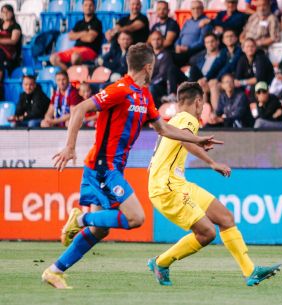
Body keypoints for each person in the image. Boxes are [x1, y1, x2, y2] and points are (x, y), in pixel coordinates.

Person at [41, 43, 222, 289]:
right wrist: (70, 146)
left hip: (114, 168)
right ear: (148, 67)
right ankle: (81, 218)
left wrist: (196, 138)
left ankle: (54, 271)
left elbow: (164, 128)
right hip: (103, 167)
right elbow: (79, 108)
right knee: (136, 217)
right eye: (154, 67)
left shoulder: (144, 96)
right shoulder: (120, 89)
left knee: (100, 230)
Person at [146, 81, 281, 286]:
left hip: (176, 183)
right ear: (199, 101)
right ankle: (161, 262)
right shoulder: (189, 119)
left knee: (225, 218)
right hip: (166, 187)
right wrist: (211, 162)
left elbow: (186, 140)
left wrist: (200, 146)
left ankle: (250, 271)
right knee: (207, 232)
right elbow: (186, 140)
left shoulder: (175, 119)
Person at [50, 0, 102, 71]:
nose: (88, 7)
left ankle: (72, 75)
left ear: (94, 7)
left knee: (75, 56)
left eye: (90, 5)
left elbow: (90, 38)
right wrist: (84, 33)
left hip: (90, 50)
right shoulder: (79, 23)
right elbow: (70, 36)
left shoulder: (97, 23)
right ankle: (68, 73)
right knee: (53, 58)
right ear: (82, 7)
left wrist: (78, 35)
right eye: (86, 5)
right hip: (76, 49)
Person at [150, 31, 186, 108]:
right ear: (150, 41)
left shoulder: (166, 55)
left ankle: (155, 114)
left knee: (150, 88)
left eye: (158, 39)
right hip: (153, 85)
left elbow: (162, 75)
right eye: (153, 39)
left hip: (163, 86)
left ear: (163, 40)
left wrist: (150, 83)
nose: (156, 41)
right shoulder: (149, 57)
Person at [174, 0, 212, 66]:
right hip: (181, 50)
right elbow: (180, 37)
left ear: (202, 9)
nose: (196, 10)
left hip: (194, 51)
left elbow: (202, 42)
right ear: (190, 10)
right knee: (167, 56)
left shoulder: (205, 22)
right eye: (193, 8)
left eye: (198, 8)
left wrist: (188, 48)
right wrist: (177, 45)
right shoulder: (187, 22)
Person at [0, 3, 22, 89]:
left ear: (12, 13)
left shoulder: (16, 26)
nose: (5, 14)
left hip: (10, 54)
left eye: (7, 12)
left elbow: (13, 41)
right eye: (3, 12)